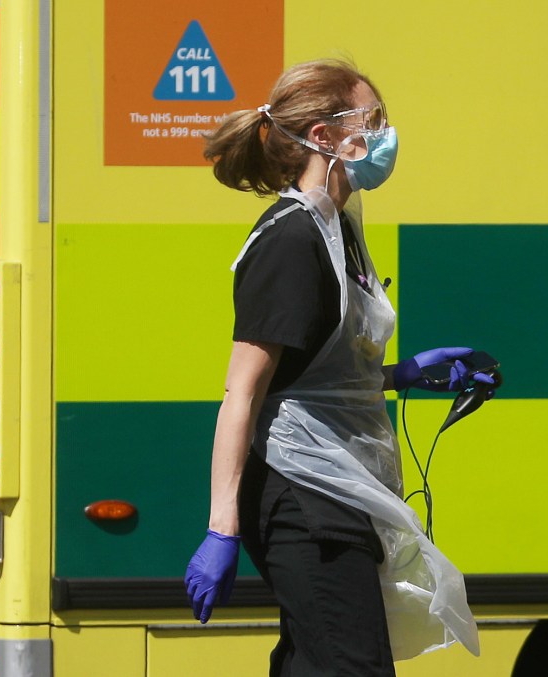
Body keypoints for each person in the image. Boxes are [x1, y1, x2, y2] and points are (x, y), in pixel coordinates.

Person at [184, 59, 491, 676]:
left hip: (337, 490)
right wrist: (222, 530)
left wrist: (403, 375)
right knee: (351, 667)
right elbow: (241, 392)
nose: (384, 134)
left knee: (314, 662)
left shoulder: (338, 231)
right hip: (305, 498)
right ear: (324, 137)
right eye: (372, 119)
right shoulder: (292, 240)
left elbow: (311, 373)